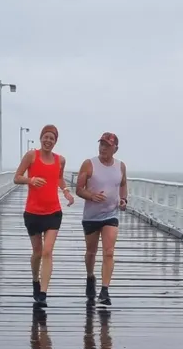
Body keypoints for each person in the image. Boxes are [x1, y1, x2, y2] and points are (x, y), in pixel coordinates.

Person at [14, 123, 74, 306]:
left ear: (56, 141)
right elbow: (17, 177)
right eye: (46, 137)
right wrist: (30, 180)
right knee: (38, 252)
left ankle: (43, 293)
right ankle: (35, 279)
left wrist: (66, 191)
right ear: (41, 138)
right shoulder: (32, 155)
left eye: (52, 138)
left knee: (48, 251)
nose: (48, 140)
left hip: (53, 212)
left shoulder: (60, 160)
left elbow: (58, 177)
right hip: (33, 212)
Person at [75, 132, 127, 307]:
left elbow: (123, 184)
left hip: (111, 215)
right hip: (91, 216)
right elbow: (79, 189)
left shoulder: (121, 166)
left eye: (107, 145)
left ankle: (105, 290)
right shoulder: (89, 164)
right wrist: (91, 196)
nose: (103, 148)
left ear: (115, 149)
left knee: (109, 251)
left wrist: (123, 199)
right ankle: (90, 277)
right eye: (101, 144)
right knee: (91, 252)